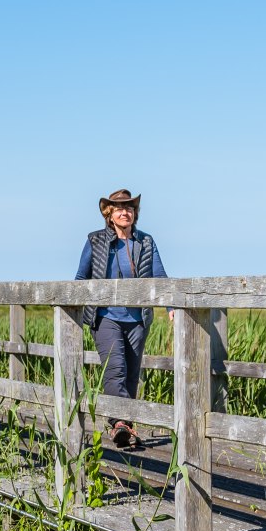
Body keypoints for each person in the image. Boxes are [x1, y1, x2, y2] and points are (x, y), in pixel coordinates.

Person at [75, 188, 168, 447]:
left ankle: (124, 425)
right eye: (119, 208)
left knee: (131, 373)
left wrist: (171, 307)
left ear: (134, 213)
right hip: (105, 316)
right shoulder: (95, 241)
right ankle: (119, 424)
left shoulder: (146, 242)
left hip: (137, 318)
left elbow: (159, 276)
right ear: (109, 214)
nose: (125, 212)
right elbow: (81, 278)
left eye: (129, 208)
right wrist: (75, 309)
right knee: (115, 368)